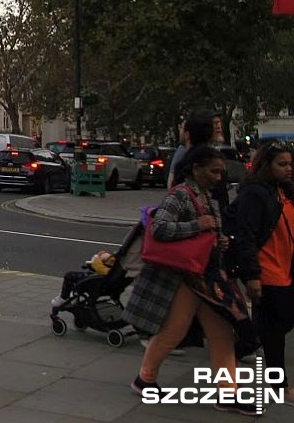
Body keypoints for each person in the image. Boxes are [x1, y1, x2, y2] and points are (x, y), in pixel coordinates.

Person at [125, 147, 255, 414]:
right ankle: (145, 378)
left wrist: (220, 240)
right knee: (174, 331)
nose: (219, 177)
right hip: (187, 277)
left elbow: (210, 232)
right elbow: (159, 228)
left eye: (221, 172)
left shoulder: (207, 196)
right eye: (213, 171)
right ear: (196, 168)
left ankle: (227, 392)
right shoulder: (181, 195)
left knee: (222, 333)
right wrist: (198, 226)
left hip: (206, 275)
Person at [230, 142, 294, 396]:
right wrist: (252, 277)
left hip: (287, 269)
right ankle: (279, 385)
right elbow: (245, 236)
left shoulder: (283, 191)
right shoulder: (255, 193)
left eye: (291, 164)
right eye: (282, 164)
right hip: (268, 271)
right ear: (266, 166)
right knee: (274, 332)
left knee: (271, 328)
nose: (289, 169)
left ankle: (234, 349)